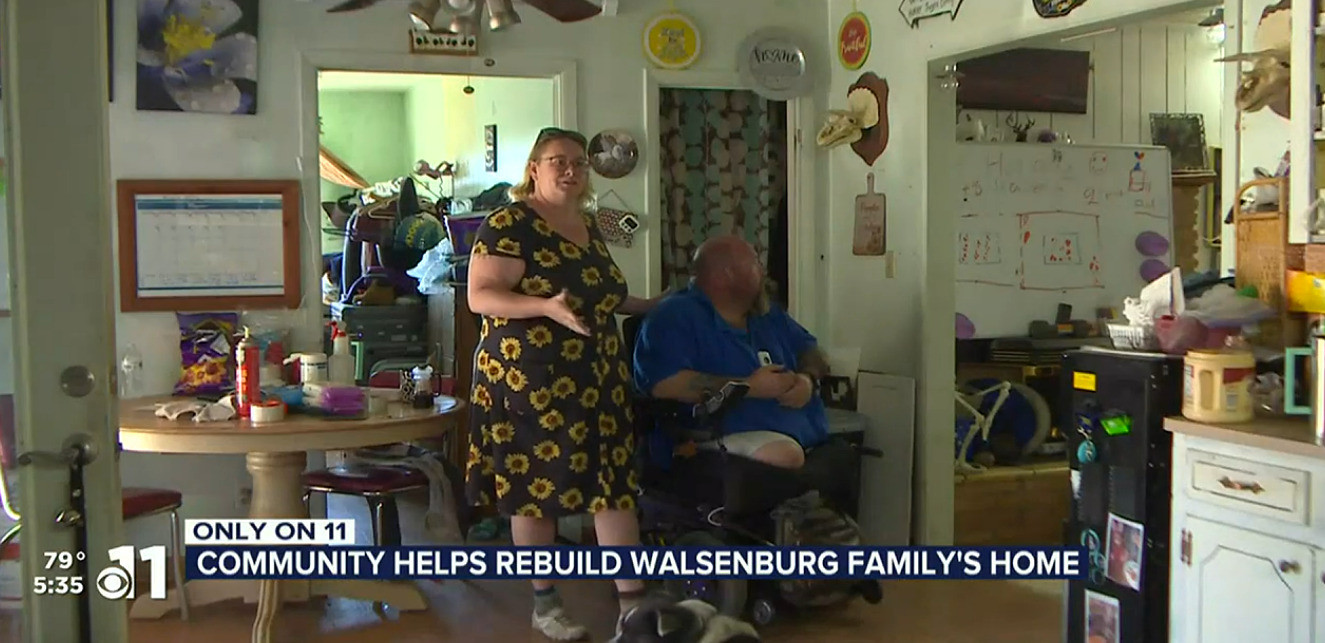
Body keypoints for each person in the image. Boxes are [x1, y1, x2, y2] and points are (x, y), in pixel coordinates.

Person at [464, 127, 661, 641]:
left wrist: (654, 305)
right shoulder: (508, 223)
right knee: (536, 491)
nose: (571, 170)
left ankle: (632, 606)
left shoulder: (589, 224)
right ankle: (545, 604)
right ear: (534, 166)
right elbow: (481, 297)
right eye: (559, 161)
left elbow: (601, 297)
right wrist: (544, 307)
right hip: (531, 384)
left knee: (614, 488)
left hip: (598, 378)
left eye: (579, 162)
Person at [631, 234, 832, 472]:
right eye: (755, 262)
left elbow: (812, 351)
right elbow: (664, 384)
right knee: (784, 454)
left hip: (803, 432)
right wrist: (749, 386)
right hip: (711, 437)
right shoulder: (673, 316)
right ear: (727, 275)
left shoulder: (768, 315)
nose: (763, 270)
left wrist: (806, 379)